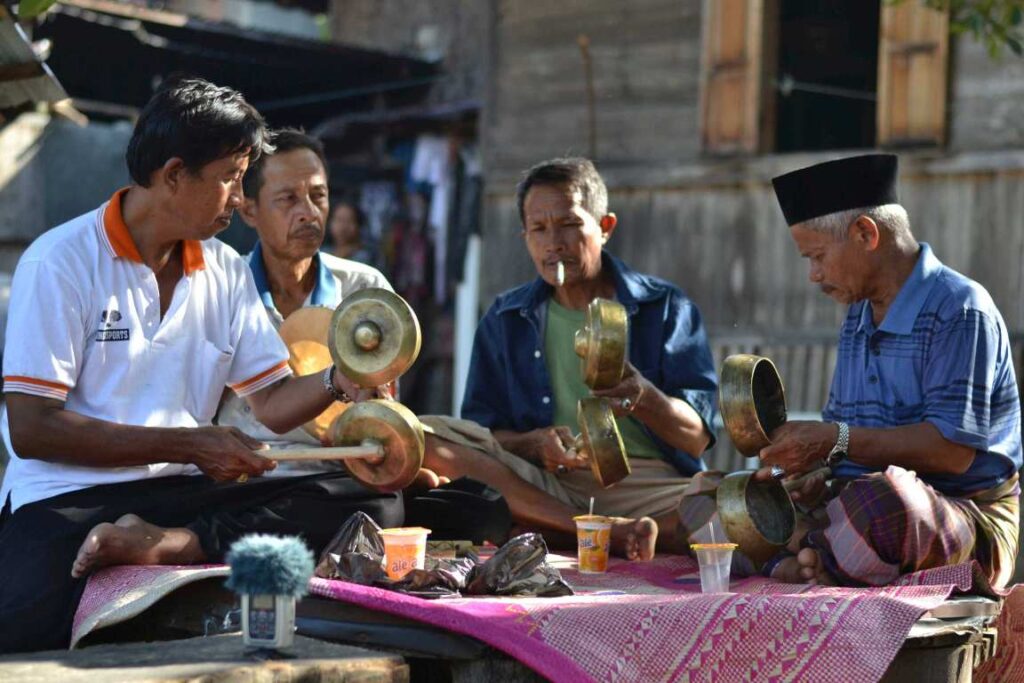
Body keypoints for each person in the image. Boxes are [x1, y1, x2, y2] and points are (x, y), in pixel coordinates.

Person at [0, 79, 402, 654]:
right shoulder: (60, 261)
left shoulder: (223, 269)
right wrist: (190, 444)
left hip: (179, 495)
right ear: (173, 176)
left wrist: (343, 377)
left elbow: (274, 402)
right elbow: (33, 429)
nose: (240, 199)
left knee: (372, 499)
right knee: (19, 633)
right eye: (230, 179)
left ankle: (172, 543)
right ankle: (155, 538)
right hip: (67, 497)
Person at [217, 128, 510, 542]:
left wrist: (387, 446)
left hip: (344, 473)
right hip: (258, 479)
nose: (308, 212)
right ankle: (211, 534)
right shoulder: (226, 288)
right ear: (249, 211)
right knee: (373, 514)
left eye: (318, 196)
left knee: (483, 510)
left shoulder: (363, 289)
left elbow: (381, 409)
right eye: (288, 199)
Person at [418, 157, 719, 559]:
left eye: (570, 225)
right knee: (423, 436)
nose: (554, 243)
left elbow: (697, 438)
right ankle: (604, 534)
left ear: (605, 227)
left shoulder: (664, 307)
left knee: (742, 500)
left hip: (650, 490)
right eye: (538, 230)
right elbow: (484, 436)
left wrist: (644, 397)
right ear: (525, 237)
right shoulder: (507, 318)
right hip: (546, 486)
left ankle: (559, 533)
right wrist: (534, 444)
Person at [760, 153, 1020, 588]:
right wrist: (819, 475)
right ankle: (818, 555)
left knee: (885, 505)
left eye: (818, 256)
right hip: (856, 502)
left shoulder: (960, 308)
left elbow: (951, 453)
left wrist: (835, 440)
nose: (813, 274)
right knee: (722, 493)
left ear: (865, 232)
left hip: (963, 516)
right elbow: (847, 447)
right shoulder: (857, 320)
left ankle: (800, 555)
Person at [327, 199, 373, 264]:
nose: (343, 227)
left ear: (359, 225)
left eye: (349, 221)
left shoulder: (365, 256)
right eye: (339, 220)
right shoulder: (322, 252)